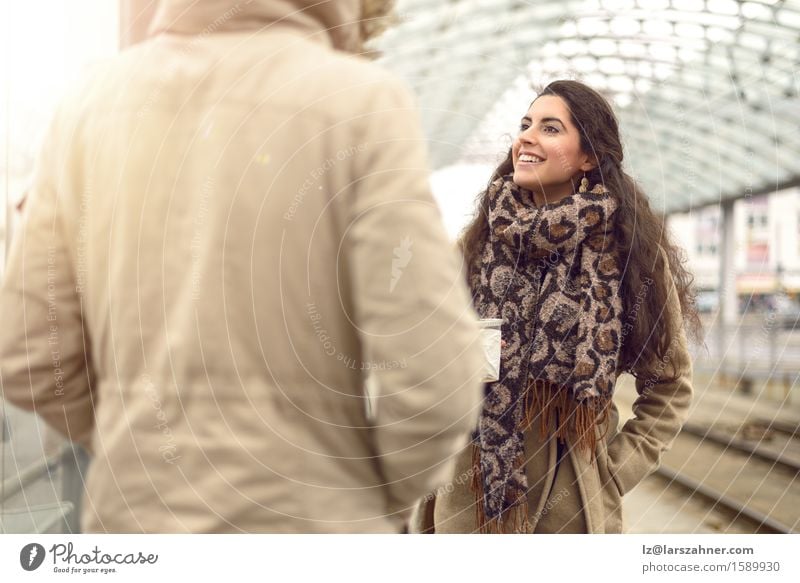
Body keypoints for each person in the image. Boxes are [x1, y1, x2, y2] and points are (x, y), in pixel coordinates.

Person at [0, 0, 486, 533]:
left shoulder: (89, 108)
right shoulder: (359, 104)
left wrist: (138, 446)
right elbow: (433, 374)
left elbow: (28, 351)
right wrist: (368, 502)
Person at [412, 80, 700, 534]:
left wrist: (610, 475)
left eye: (549, 128)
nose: (525, 137)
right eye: (525, 125)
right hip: (468, 497)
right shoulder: (476, 246)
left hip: (570, 508)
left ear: (588, 157)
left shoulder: (629, 255)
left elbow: (670, 386)